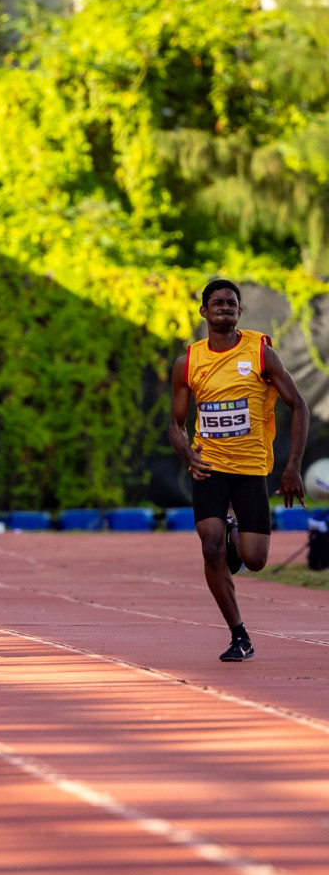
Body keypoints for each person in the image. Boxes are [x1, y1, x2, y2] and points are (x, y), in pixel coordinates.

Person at [168, 278, 307, 662]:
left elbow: (299, 406)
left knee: (256, 559)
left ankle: (233, 533)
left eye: (232, 303)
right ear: (204, 312)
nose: (225, 308)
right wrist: (188, 456)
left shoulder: (261, 355)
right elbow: (175, 424)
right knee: (210, 547)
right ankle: (239, 635)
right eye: (218, 303)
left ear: (240, 312)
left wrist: (291, 466)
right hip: (209, 467)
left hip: (250, 469)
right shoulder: (189, 362)